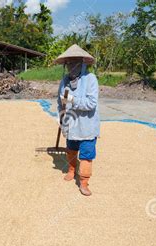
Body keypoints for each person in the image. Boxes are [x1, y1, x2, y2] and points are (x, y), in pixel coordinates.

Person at [55, 44, 100, 196]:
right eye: (69, 63)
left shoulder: (90, 79)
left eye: (75, 63)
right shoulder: (64, 81)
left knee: (87, 154)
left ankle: (84, 182)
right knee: (71, 150)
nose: (71, 67)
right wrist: (61, 119)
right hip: (71, 125)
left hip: (86, 126)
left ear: (82, 64)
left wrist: (72, 100)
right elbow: (60, 102)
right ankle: (72, 169)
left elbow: (91, 103)